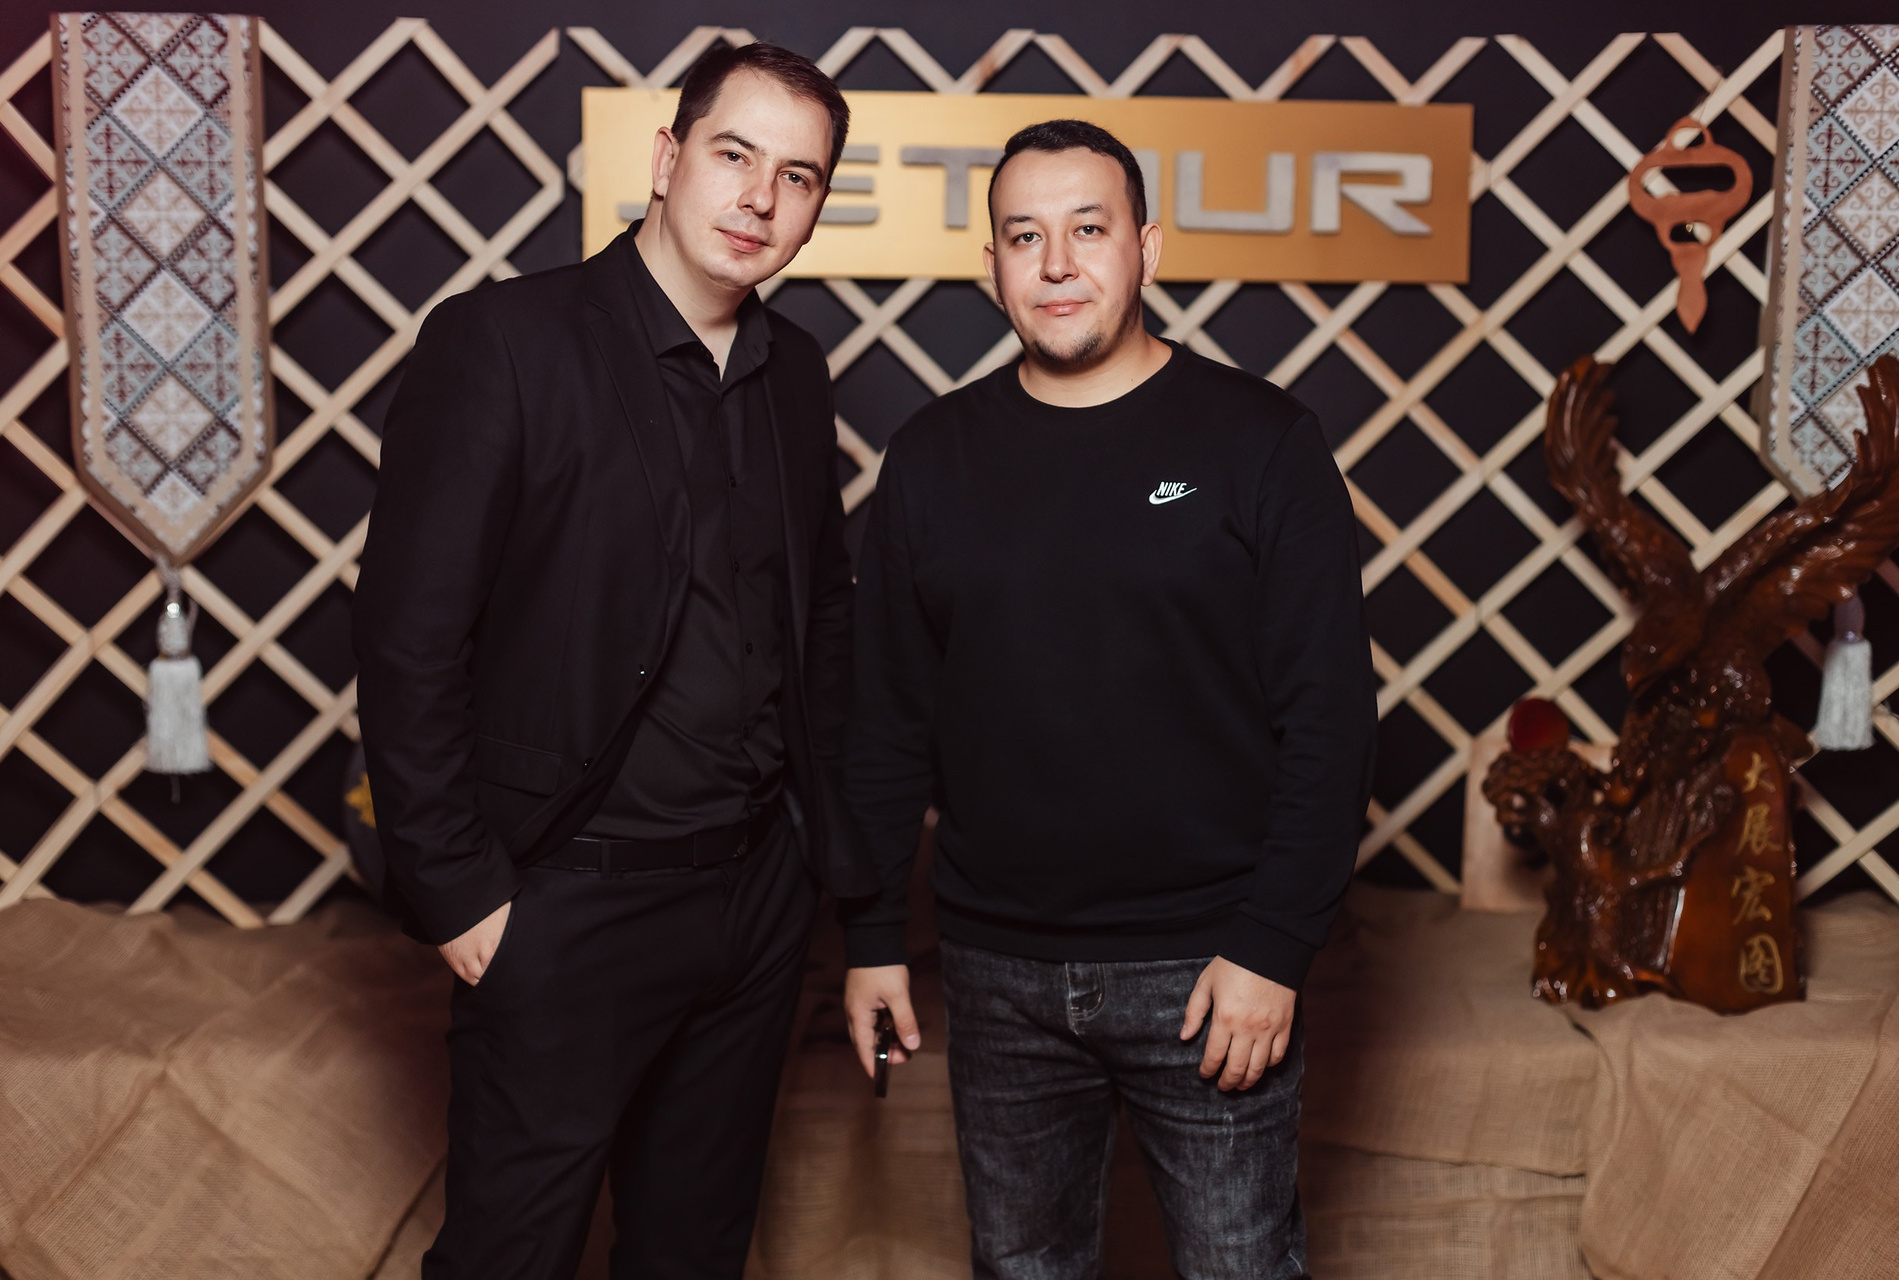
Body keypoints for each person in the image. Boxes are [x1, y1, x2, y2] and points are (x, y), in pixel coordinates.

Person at [352, 42, 872, 1280]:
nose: (760, 197)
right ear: (667, 157)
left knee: (694, 1251)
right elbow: (408, 635)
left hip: (753, 898)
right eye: (735, 154)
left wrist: (819, 867)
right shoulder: (505, 342)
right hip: (568, 898)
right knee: (511, 1255)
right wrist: (462, 895)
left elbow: (820, 624)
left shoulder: (797, 372)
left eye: (798, 177)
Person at [839, 119, 1375, 1279]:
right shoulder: (930, 457)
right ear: (991, 265)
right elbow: (886, 716)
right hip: (998, 972)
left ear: (1148, 247)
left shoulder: (1261, 442)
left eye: (1089, 228)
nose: (1056, 263)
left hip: (1210, 963)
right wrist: (873, 933)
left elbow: (1330, 717)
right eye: (1023, 236)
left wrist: (1274, 944)